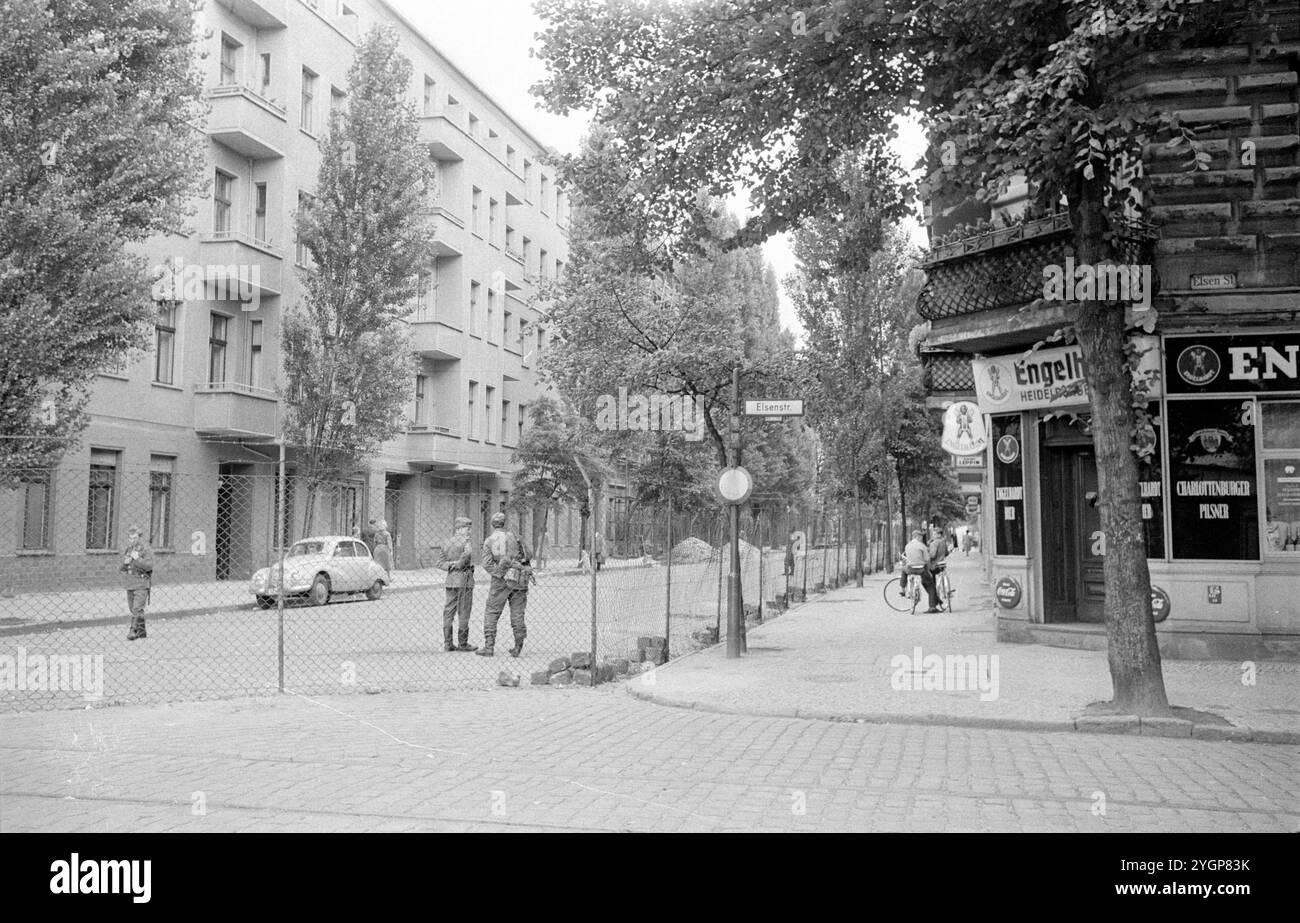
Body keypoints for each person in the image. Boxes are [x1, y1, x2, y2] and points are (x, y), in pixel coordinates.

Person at [477, 512, 530, 657]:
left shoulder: (489, 541)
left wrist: (500, 572)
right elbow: (528, 555)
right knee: (518, 613)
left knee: (492, 612)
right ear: (504, 523)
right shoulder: (515, 537)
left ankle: (489, 647)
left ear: (492, 524)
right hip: (518, 579)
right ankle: (518, 646)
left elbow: (487, 564)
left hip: (499, 581)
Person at [436, 516, 478, 652]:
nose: (469, 531)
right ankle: (463, 643)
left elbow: (439, 563)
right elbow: (468, 554)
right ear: (460, 529)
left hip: (451, 580)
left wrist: (451, 565)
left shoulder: (446, 542)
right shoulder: (466, 542)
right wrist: (459, 564)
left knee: (448, 611)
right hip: (465, 580)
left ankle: (448, 643)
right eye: (467, 528)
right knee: (464, 611)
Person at [120, 526, 155, 640]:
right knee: (133, 608)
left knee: (137, 608)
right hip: (130, 583)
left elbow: (149, 566)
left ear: (140, 537)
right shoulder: (128, 549)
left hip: (141, 583)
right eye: (130, 538)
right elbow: (122, 568)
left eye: (135, 538)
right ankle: (142, 631)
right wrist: (125, 563)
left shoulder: (146, 550)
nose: (132, 540)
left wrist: (137, 559)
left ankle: (133, 630)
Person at [901, 529, 940, 612]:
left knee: (904, 570)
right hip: (921, 569)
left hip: (911, 569)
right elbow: (927, 559)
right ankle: (932, 607)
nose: (921, 538)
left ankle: (902, 588)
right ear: (916, 537)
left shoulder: (907, 546)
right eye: (920, 537)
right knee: (930, 585)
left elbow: (907, 558)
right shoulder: (922, 546)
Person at [929, 526, 950, 612]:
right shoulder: (943, 542)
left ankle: (935, 601)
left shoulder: (935, 543)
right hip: (942, 565)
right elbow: (946, 553)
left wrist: (927, 555)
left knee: (930, 583)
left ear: (939, 534)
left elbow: (932, 555)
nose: (933, 535)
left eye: (934, 533)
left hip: (934, 566)